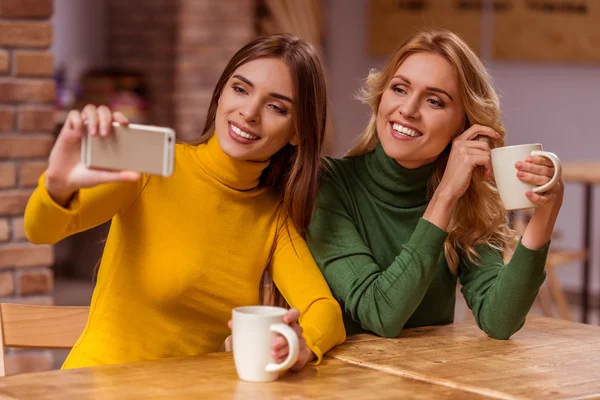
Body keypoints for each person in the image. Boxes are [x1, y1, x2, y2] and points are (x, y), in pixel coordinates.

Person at [25, 33, 345, 369]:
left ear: (297, 132)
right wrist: (57, 186)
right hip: (97, 385)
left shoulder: (272, 217)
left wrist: (297, 343)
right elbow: (40, 230)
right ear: (220, 93)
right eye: (240, 89)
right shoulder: (154, 167)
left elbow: (324, 309)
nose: (249, 112)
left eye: (276, 107)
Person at [306, 29, 563, 340]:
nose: (409, 110)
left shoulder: (465, 196)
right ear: (380, 97)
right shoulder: (326, 184)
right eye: (399, 89)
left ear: (464, 124)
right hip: (345, 383)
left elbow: (499, 320)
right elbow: (380, 314)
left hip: (431, 378)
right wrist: (443, 198)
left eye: (434, 101)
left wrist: (545, 214)